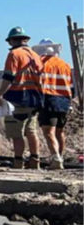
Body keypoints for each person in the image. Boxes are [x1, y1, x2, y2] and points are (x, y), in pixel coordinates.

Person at [0, 27, 44, 170]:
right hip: (34, 98)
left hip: (17, 97)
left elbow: (9, 77)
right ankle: (35, 160)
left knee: (16, 133)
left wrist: (0, 95)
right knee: (31, 130)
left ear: (12, 40)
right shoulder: (35, 55)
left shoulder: (14, 54)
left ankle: (18, 162)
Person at [37, 40, 76, 171]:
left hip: (48, 99)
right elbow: (71, 87)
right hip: (65, 100)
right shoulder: (64, 64)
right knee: (60, 131)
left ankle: (56, 158)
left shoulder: (40, 63)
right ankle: (60, 157)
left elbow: (37, 83)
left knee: (48, 131)